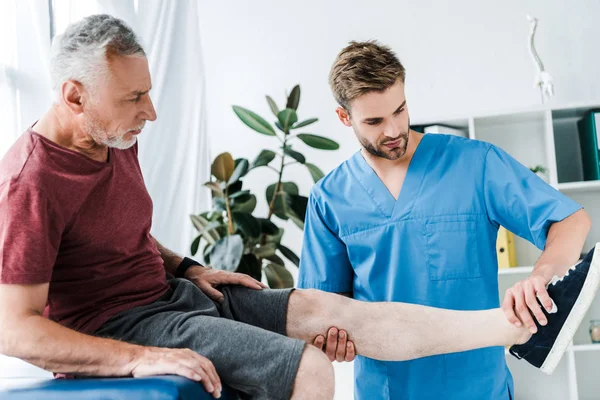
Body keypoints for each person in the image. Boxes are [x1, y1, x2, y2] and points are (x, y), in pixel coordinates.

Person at [0, 16, 596, 400]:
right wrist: (140, 359)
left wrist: (185, 266)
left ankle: (517, 328)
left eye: (402, 110)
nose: (150, 111)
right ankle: (520, 327)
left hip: (172, 293)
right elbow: (13, 326)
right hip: (134, 326)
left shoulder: (113, 133)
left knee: (321, 307)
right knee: (312, 368)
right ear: (74, 95)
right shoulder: (30, 179)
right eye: (134, 97)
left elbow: (113, 235)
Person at [298, 40, 595, 400]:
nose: (393, 130)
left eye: (400, 110)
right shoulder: (329, 199)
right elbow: (321, 310)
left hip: (478, 387)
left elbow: (570, 220)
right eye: (374, 121)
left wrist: (541, 276)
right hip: (387, 390)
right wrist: (331, 340)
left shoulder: (475, 164)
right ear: (344, 117)